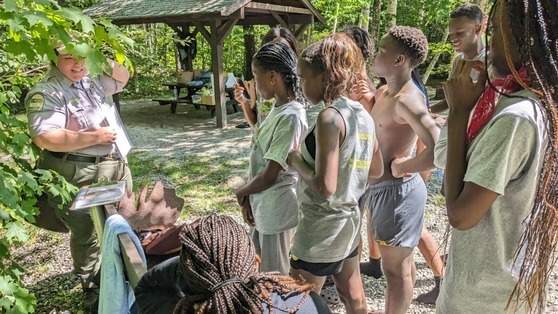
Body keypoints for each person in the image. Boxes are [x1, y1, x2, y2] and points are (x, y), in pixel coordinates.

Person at [434, 0, 556, 312]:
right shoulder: (532, 101)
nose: (489, 36)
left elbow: (461, 215)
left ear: (525, 39)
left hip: (485, 298)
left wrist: (459, 113)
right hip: (500, 290)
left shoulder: (516, 117)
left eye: (498, 28)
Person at [25, 39, 132, 306]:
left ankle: (124, 272)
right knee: (88, 230)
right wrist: (94, 136)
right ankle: (93, 287)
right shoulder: (47, 90)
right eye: (69, 58)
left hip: (113, 164)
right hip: (78, 171)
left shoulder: (91, 78)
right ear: (54, 59)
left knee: (124, 219)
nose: (78, 63)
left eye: (82, 56)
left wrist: (96, 55)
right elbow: (45, 138)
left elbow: (123, 77)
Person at [288, 33, 383, 314]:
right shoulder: (362, 114)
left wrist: (296, 160)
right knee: (353, 299)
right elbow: (376, 169)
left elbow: (324, 187)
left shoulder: (329, 117)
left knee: (297, 303)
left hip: (320, 231)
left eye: (304, 79)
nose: (302, 86)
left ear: (325, 77)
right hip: (348, 226)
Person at [363, 26, 440, 314]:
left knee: (396, 273)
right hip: (382, 191)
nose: (375, 54)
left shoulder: (408, 99)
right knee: (399, 267)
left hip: (397, 194)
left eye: (382, 49)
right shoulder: (384, 91)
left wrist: (403, 166)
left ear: (399, 60)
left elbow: (437, 150)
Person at [134, 214, 332, 313]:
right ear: (256, 262)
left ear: (187, 275)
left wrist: (195, 263)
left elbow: (147, 287)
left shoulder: (178, 308)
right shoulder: (305, 305)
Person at [234, 41, 307, 275]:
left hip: (277, 207)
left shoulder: (292, 116)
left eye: (256, 76)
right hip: (264, 204)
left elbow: (270, 174)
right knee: (257, 267)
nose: (254, 83)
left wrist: (241, 192)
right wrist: (248, 199)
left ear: (273, 76)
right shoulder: (278, 109)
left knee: (275, 276)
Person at [234, 27, 298, 129]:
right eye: (274, 48)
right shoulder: (258, 83)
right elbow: (256, 124)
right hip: (262, 143)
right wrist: (244, 102)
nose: (280, 53)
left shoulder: (300, 84)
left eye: (285, 49)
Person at [430, 3, 486, 114]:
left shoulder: (488, 61)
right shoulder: (458, 60)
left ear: (477, 29)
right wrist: (427, 113)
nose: (453, 38)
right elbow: (451, 100)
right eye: (451, 34)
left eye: (459, 33)